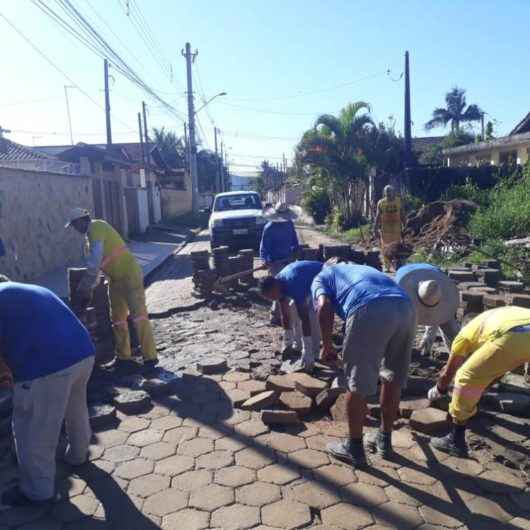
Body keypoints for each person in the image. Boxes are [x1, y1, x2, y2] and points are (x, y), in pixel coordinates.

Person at [0, 278, 95, 506]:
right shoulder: (24, 289)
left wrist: (5, 375)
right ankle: (79, 456)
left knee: (33, 429)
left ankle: (37, 491)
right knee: (76, 410)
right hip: (82, 352)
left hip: (48, 367)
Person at [311, 263, 416, 467]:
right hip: (406, 309)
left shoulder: (321, 277)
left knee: (356, 383)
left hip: (370, 308)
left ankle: (354, 448)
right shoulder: (360, 270)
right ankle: (384, 440)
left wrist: (327, 346)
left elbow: (324, 307)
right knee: (393, 378)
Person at [427, 306, 530, 456]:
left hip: (514, 335)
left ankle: (455, 440)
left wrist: (439, 390)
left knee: (465, 376)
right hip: (520, 332)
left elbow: (448, 373)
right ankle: (470, 406)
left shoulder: (466, 333)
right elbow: (495, 371)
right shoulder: (497, 316)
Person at [66, 208, 158, 372]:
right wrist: (89, 289)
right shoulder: (88, 241)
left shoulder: (97, 227)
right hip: (115, 280)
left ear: (82, 220)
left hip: (129, 275)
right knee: (117, 319)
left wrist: (84, 288)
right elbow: (97, 269)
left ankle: (150, 357)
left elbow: (94, 262)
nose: (74, 228)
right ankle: (124, 357)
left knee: (139, 316)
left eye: (74, 224)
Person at [259, 260, 323, 370]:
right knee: (292, 308)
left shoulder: (293, 284)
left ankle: (312, 352)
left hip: (322, 277)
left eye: (273, 295)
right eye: (270, 298)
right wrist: (287, 340)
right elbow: (285, 313)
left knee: (311, 315)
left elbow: (305, 319)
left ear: (275, 287)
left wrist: (307, 349)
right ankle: (297, 345)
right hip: (304, 280)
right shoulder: (277, 285)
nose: (274, 298)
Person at [395, 263, 460, 357]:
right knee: (406, 326)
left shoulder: (439, 288)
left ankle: (456, 356)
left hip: (433, 276)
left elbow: (437, 318)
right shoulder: (404, 287)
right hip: (408, 275)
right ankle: (407, 352)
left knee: (450, 328)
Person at [259, 202, 300, 324]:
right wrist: (266, 260)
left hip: (288, 260)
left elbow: (294, 241)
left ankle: (284, 315)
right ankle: (276, 316)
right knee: (277, 289)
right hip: (275, 262)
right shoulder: (269, 228)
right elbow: (264, 248)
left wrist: (296, 250)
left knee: (285, 289)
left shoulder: (289, 224)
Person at [374, 185, 404, 272]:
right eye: (387, 192)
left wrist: (405, 224)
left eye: (390, 192)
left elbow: (402, 213)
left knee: (396, 248)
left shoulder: (398, 201)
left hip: (396, 229)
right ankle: (387, 267)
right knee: (386, 248)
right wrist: (375, 228)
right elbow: (378, 216)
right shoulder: (381, 203)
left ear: (393, 192)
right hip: (385, 230)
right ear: (384, 193)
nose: (388, 194)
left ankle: (397, 266)